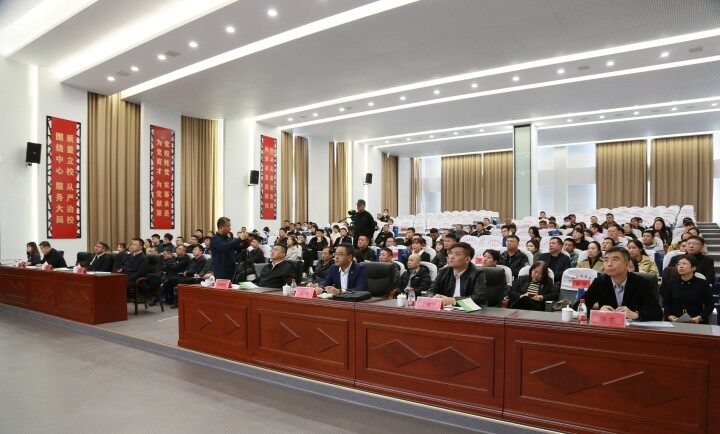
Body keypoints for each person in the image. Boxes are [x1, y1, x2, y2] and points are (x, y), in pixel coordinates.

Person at [574, 247, 663, 321]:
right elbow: (578, 306)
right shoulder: (600, 282)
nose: (609, 264)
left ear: (627, 264)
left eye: (615, 260)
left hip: (633, 331)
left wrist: (635, 314)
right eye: (606, 260)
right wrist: (598, 312)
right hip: (608, 328)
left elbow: (657, 313)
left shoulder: (641, 283)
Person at [427, 242, 488, 307]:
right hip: (447, 309)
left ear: (467, 259)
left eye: (457, 254)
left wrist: (453, 301)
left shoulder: (477, 273)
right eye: (450, 253)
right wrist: (434, 297)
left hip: (471, 309)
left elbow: (478, 297)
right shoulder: (443, 271)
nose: (451, 257)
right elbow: (430, 291)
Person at [661, 254, 714, 324]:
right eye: (678, 264)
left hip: (696, 322)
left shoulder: (703, 283)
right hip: (674, 321)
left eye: (684, 263)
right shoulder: (672, 283)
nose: (680, 266)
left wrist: (700, 317)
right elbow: (666, 303)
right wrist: (669, 315)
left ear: (693, 268)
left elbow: (710, 305)